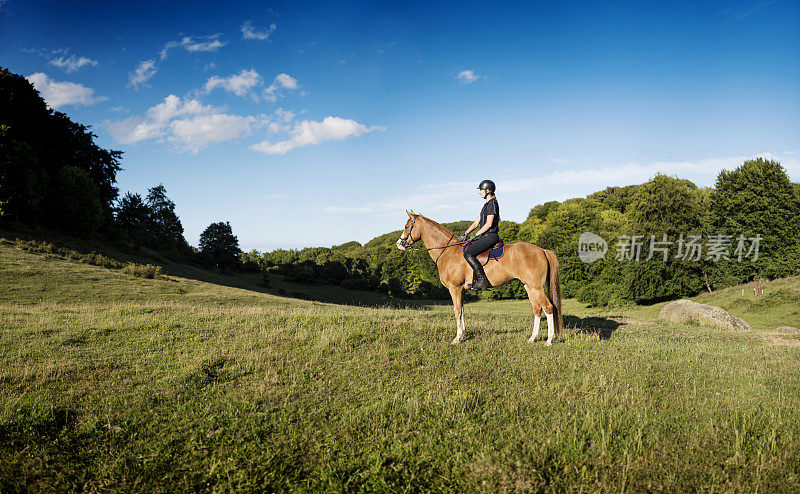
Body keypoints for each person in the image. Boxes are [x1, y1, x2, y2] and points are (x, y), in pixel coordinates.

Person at [457, 179, 500, 290]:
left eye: (481, 189)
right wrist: (465, 233)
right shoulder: (485, 206)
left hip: (491, 236)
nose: (479, 192)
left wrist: (475, 235)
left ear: (487, 191)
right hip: (485, 236)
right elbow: (476, 222)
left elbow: (489, 224)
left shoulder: (492, 204)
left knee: (468, 253)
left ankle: (482, 281)